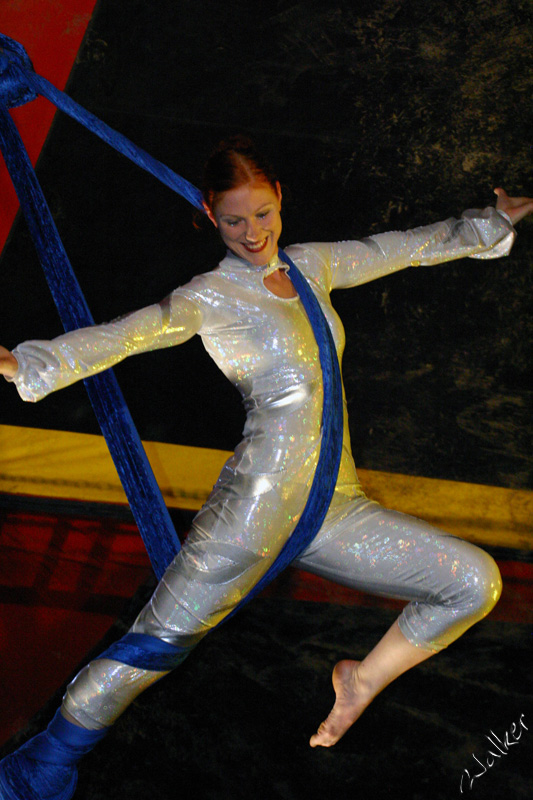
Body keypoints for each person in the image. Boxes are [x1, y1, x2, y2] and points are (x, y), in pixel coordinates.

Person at [0, 136, 532, 800]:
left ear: (279, 198)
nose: (252, 233)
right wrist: (27, 364)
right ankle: (41, 766)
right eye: (233, 220)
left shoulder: (313, 265)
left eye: (261, 214)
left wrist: (492, 222)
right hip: (253, 510)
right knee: (151, 651)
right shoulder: (209, 296)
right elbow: (127, 334)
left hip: (331, 505)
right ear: (209, 215)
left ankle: (359, 681)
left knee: (470, 582)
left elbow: (403, 246)